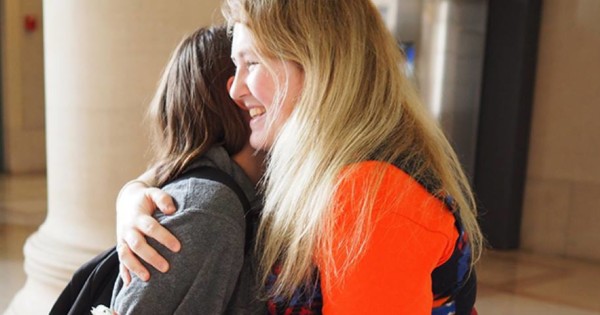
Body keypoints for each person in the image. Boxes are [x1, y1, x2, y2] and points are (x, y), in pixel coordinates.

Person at [116, 1, 484, 314]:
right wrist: (134, 194)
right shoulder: (333, 168)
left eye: (252, 63)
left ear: (319, 65)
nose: (236, 89)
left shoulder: (369, 196)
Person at [107, 25, 266, 314]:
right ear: (233, 97)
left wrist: (131, 191)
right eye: (252, 66)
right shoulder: (209, 210)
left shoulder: (237, 196)